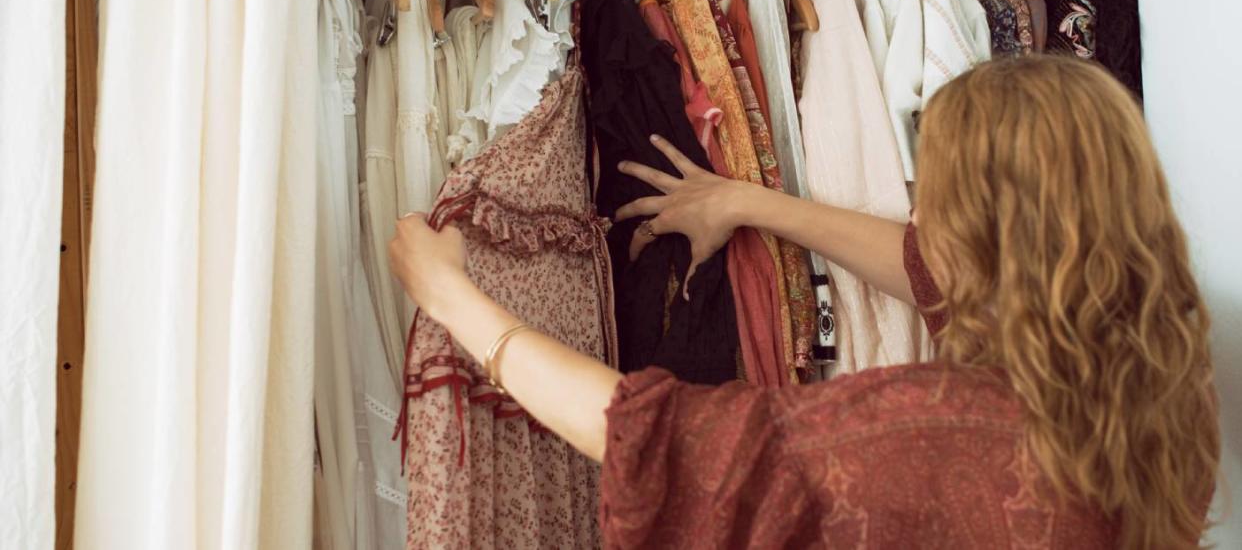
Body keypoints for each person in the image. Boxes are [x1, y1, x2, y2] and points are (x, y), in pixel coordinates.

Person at [388, 55, 1218, 548]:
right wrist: (748, 201)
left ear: (997, 234)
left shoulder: (946, 428)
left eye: (935, 195)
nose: (918, 213)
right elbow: (926, 264)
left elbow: (660, 437)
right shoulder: (1165, 382)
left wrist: (454, 298)